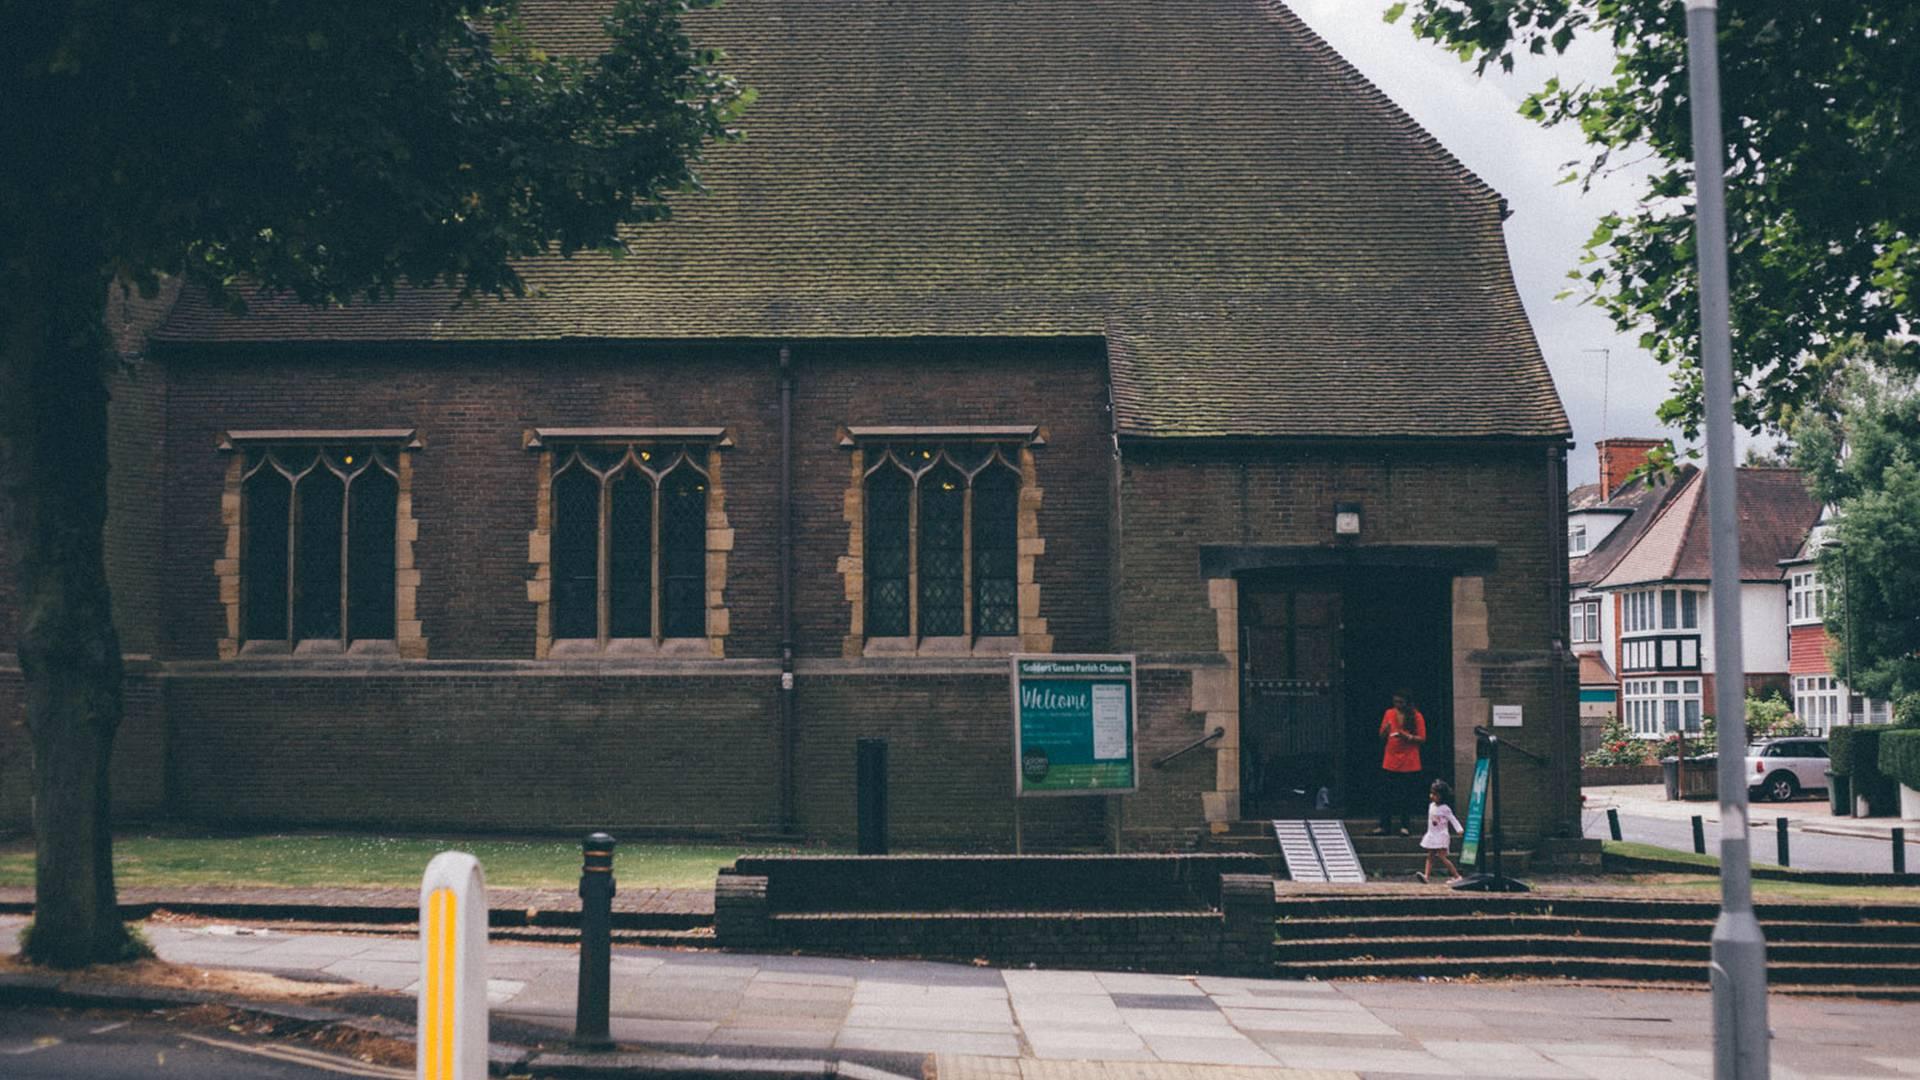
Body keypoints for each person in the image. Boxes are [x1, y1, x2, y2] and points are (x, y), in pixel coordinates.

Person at [1373, 688, 1425, 835]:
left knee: (1405, 794)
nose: (1398, 705)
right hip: (1390, 758)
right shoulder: (1389, 713)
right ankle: (1384, 825)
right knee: (1385, 793)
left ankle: (1405, 825)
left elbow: (1422, 738)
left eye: (1401, 702)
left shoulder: (1416, 716)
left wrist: (1407, 737)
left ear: (1407, 702)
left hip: (1408, 759)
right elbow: (1382, 736)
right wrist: (1386, 730)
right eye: (1395, 701)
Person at [1418, 779, 1464, 884]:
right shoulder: (1431, 806)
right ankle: (1426, 876)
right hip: (1432, 834)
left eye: (1435, 794)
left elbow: (1452, 819)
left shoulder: (1445, 808)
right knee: (1430, 855)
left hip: (1441, 835)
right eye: (1432, 793)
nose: (1432, 796)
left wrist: (1459, 829)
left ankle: (1457, 876)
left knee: (1442, 856)